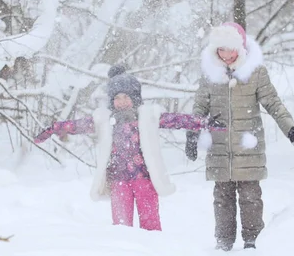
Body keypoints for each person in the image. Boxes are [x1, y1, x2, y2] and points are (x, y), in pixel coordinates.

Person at [34, 65, 225, 231]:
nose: (122, 101)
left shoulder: (147, 115)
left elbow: (177, 120)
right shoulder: (105, 119)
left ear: (135, 98)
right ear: (112, 100)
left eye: (126, 96)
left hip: (144, 179)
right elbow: (78, 125)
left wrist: (204, 122)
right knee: (121, 227)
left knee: (150, 225)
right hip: (119, 181)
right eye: (117, 97)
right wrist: (54, 128)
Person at [185, 22, 294, 251]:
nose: (226, 54)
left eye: (230, 49)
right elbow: (200, 106)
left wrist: (291, 128)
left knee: (251, 197)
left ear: (240, 49)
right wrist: (193, 134)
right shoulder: (210, 74)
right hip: (219, 149)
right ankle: (223, 242)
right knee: (222, 198)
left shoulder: (255, 72)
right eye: (221, 49)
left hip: (247, 147)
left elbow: (273, 103)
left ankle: (253, 241)